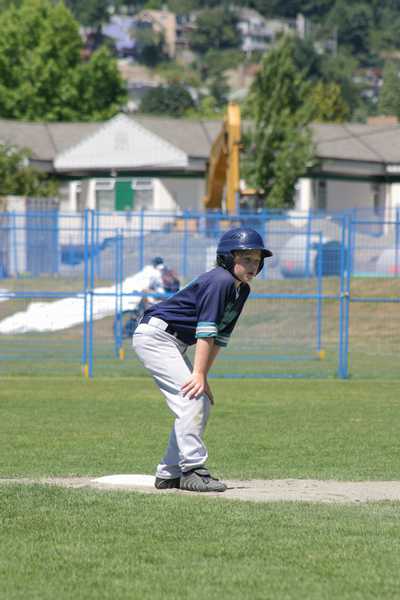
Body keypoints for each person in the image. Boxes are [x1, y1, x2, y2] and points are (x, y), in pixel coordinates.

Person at [132, 228, 273, 493]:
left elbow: (219, 336)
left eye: (257, 260)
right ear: (227, 258)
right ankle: (192, 469)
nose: (253, 265)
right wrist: (197, 374)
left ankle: (169, 473)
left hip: (172, 340)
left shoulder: (241, 290)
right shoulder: (220, 280)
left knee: (201, 400)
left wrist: (202, 375)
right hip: (156, 336)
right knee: (192, 398)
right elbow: (205, 331)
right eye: (246, 258)